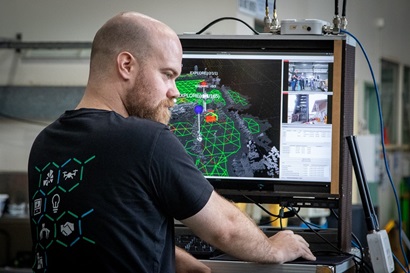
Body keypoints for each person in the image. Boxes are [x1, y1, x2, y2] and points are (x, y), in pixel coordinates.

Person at [28, 11, 316, 273]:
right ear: (126, 65)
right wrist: (274, 248)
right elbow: (225, 229)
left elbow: (100, 230)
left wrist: (170, 254)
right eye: (167, 75)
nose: (175, 92)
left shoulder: (45, 144)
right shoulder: (145, 139)